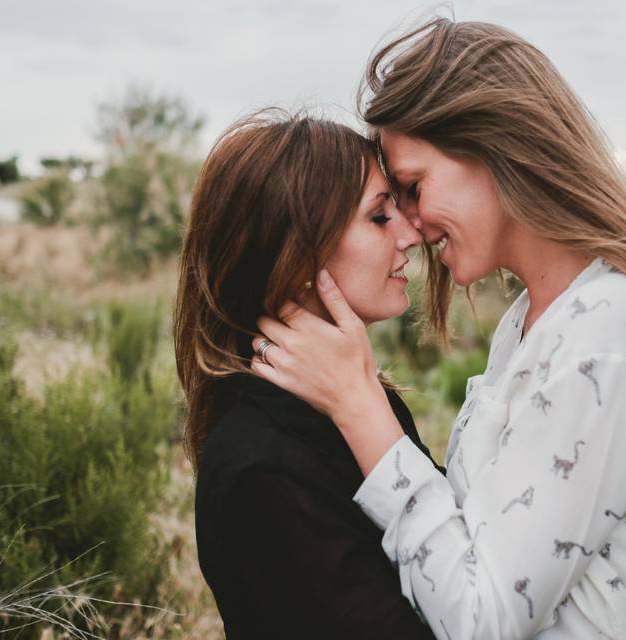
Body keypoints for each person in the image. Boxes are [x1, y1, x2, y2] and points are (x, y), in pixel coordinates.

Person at [249, 18, 626, 640]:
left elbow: (482, 624)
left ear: (494, 147)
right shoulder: (537, 321)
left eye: (414, 188)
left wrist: (358, 403)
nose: (414, 227)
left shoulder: (614, 333)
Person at [174, 110, 438, 639]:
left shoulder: (362, 405)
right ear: (295, 254)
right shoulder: (262, 469)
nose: (412, 234)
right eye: (380, 216)